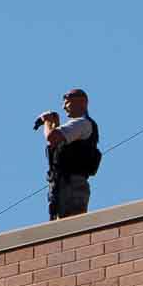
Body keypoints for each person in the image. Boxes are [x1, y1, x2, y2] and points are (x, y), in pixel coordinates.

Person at [36, 88, 101, 219]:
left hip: (72, 185)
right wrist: (55, 123)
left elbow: (52, 137)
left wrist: (47, 121)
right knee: (59, 226)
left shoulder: (82, 123)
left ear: (82, 102)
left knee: (70, 225)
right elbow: (58, 146)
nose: (64, 107)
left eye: (67, 103)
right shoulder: (78, 126)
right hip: (63, 185)